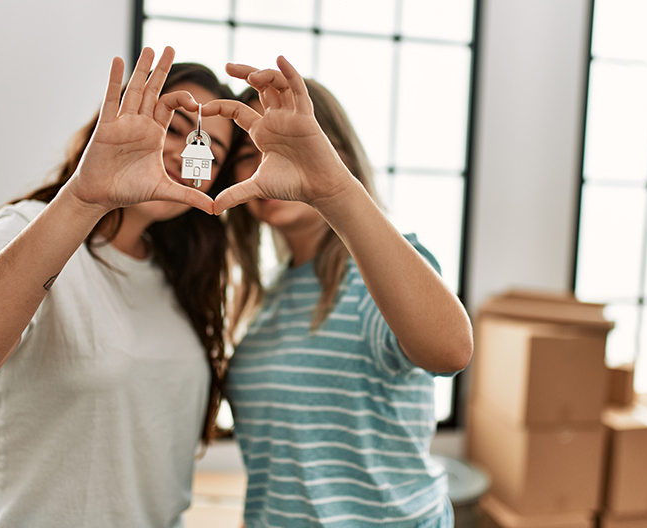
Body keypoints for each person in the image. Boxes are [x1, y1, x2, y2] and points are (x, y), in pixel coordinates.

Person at [0, 46, 238, 528]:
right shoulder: (26, 226)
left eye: (210, 150)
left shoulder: (181, 277)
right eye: (172, 128)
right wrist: (87, 195)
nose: (187, 150)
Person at [203, 58, 474, 527]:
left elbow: (450, 351)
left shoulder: (379, 270)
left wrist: (331, 190)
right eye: (246, 154)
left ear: (338, 154)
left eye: (285, 145)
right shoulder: (269, 298)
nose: (264, 159)